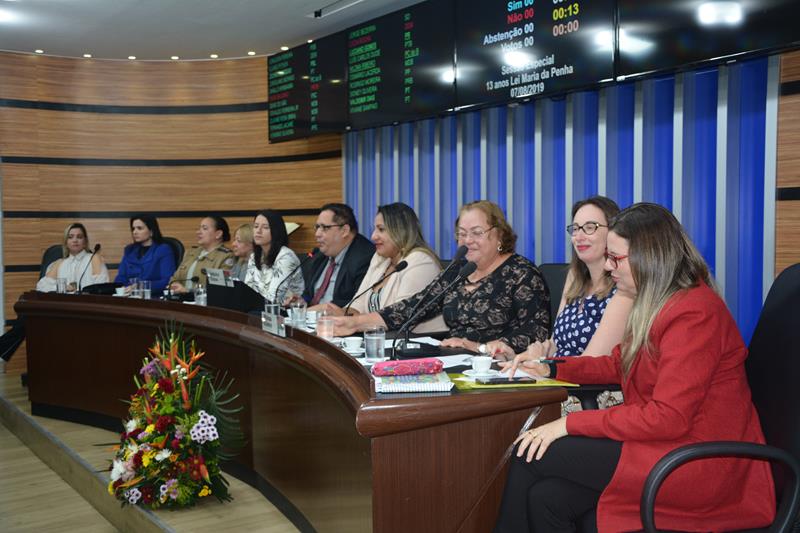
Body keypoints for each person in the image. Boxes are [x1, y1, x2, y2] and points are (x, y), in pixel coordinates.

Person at [494, 203, 775, 533]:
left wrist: (570, 424)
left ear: (649, 257)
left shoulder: (695, 313)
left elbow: (668, 416)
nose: (608, 267)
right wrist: (551, 368)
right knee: (547, 498)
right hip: (662, 446)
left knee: (530, 454)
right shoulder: (657, 302)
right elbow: (619, 364)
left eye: (616, 258)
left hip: (698, 462)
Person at [334, 200, 550, 354]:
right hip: (454, 359)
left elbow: (536, 332)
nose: (467, 240)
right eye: (462, 234)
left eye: (476, 232)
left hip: (500, 368)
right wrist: (355, 324)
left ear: (499, 235)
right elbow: (413, 307)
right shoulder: (459, 271)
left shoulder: (522, 273)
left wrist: (480, 347)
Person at [503, 197, 633, 411]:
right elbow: (556, 343)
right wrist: (527, 353)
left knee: (509, 410)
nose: (579, 236)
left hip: (592, 394)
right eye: (575, 228)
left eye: (590, 227)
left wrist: (543, 363)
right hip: (556, 381)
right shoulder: (574, 277)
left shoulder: (623, 290)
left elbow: (590, 364)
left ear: (613, 232)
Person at [314, 202, 446, 333]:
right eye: (375, 229)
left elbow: (399, 317)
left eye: (381, 229)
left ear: (400, 231)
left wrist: (354, 323)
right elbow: (358, 304)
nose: (373, 236)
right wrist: (341, 313)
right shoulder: (380, 259)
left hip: (416, 340)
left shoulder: (421, 261)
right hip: (380, 338)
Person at [301, 203, 375, 308]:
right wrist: (302, 301)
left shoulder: (364, 258)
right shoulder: (320, 255)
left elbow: (356, 304)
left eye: (325, 228)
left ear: (344, 231)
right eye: (317, 227)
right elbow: (309, 294)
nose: (317, 234)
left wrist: (314, 310)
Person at [244, 210, 304, 303]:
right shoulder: (254, 257)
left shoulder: (286, 257)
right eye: (256, 226)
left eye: (265, 227)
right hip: (260, 308)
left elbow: (274, 298)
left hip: (286, 309)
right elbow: (247, 291)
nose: (258, 231)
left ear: (276, 231)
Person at [36, 222, 109, 292]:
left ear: (85, 241)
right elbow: (41, 286)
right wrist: (62, 287)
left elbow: (102, 286)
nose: (75, 240)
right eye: (70, 237)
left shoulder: (93, 259)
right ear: (66, 242)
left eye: (79, 237)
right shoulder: (60, 263)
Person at [169, 216, 235, 293]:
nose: (198, 232)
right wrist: (174, 285)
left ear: (218, 234)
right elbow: (174, 279)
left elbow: (221, 289)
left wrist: (187, 291)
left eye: (204, 228)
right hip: (181, 298)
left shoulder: (226, 256)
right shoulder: (191, 253)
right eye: (199, 228)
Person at [115, 215, 176, 292]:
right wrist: (124, 288)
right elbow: (120, 277)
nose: (135, 232)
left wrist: (141, 286)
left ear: (151, 231)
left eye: (139, 228)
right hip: (129, 295)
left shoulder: (163, 250)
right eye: (133, 229)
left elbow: (167, 280)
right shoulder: (129, 250)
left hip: (152, 296)